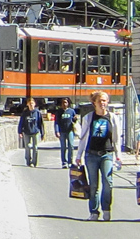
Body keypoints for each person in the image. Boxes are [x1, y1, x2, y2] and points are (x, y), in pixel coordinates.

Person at [75, 91, 123, 221]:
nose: (102, 103)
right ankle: (94, 212)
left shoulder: (112, 118)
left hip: (107, 154)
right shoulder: (89, 118)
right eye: (100, 101)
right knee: (93, 184)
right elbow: (83, 138)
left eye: (105, 100)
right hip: (91, 154)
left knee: (108, 182)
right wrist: (78, 155)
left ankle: (106, 208)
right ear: (94, 103)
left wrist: (119, 155)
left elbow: (117, 138)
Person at [17, 97, 45, 167]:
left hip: (35, 132)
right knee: (27, 147)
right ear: (27, 104)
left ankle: (34, 162)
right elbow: (21, 122)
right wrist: (20, 132)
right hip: (27, 132)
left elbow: (41, 123)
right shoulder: (25, 113)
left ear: (34, 104)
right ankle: (28, 161)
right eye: (30, 104)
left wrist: (42, 133)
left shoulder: (37, 113)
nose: (31, 105)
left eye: (32, 103)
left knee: (35, 148)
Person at [52, 97, 78, 168]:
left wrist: (75, 119)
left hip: (70, 131)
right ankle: (64, 162)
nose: (64, 104)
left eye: (66, 102)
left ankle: (70, 161)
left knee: (71, 146)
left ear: (68, 103)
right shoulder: (59, 112)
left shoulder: (71, 111)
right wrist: (57, 131)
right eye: (63, 102)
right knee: (63, 147)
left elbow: (74, 121)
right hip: (62, 131)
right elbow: (56, 122)